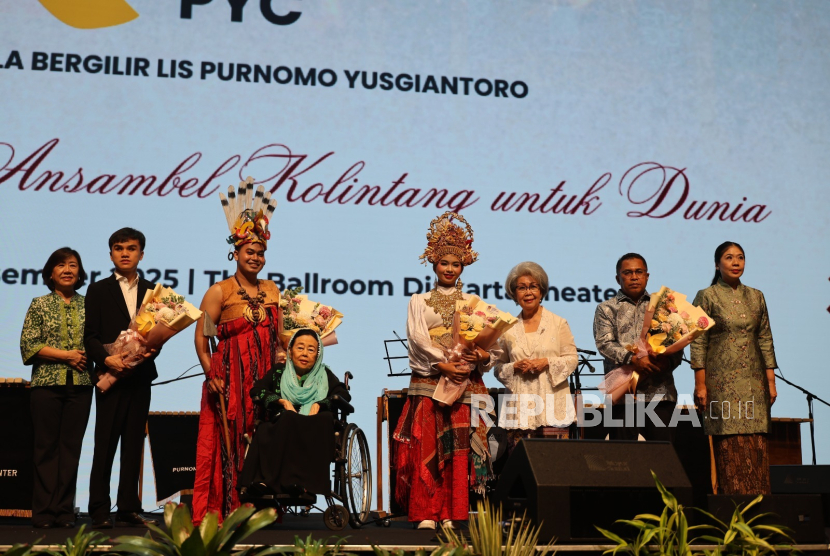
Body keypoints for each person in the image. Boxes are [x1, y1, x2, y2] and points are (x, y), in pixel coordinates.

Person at [393, 211, 492, 530]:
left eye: (456, 263)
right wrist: (443, 362)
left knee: (456, 446)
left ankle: (452, 511)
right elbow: (419, 341)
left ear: (463, 266)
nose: (449, 269)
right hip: (430, 379)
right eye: (444, 262)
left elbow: (493, 347)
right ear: (434, 263)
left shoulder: (474, 302)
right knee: (429, 445)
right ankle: (425, 512)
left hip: (462, 381)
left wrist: (479, 355)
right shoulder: (419, 300)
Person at [193, 185, 283, 524]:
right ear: (236, 253)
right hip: (229, 377)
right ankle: (226, 506)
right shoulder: (218, 292)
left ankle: (260, 505)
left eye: (260, 252)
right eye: (249, 251)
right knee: (227, 441)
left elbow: (282, 336)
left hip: (264, 379)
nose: (255, 257)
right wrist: (210, 375)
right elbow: (202, 340)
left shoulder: (272, 290)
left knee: (260, 437)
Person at [84, 228, 158, 529]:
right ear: (111, 253)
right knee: (105, 444)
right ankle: (99, 509)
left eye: (131, 248)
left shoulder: (155, 292)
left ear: (141, 253)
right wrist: (106, 359)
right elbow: (89, 336)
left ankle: (128, 506)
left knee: (133, 444)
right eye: (118, 248)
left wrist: (148, 352)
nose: (125, 253)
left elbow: (156, 337)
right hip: (110, 375)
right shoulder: (98, 289)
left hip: (140, 378)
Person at [691, 241, 777, 495]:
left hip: (754, 383)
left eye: (740, 257)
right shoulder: (707, 296)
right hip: (721, 384)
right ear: (717, 265)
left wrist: (770, 382)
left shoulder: (756, 295)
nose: (736, 262)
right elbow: (698, 341)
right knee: (730, 445)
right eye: (729, 258)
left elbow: (765, 338)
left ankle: (760, 514)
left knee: (756, 443)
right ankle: (731, 510)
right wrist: (700, 384)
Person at [20, 248, 92, 529]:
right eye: (61, 265)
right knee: (45, 449)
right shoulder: (39, 304)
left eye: (73, 265)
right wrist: (68, 356)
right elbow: (29, 345)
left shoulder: (89, 305)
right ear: (51, 273)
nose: (67, 269)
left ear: (80, 273)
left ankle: (64, 511)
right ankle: (43, 512)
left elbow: (97, 343)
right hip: (46, 385)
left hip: (82, 385)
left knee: (71, 449)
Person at [238, 329, 349, 498]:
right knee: (279, 422)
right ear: (290, 351)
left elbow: (342, 394)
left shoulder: (324, 374)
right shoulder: (278, 372)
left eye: (311, 350)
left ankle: (302, 484)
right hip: (282, 424)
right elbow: (257, 390)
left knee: (324, 418)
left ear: (317, 355)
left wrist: (320, 404)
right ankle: (265, 483)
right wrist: (281, 401)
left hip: (314, 425)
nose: (305, 353)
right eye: (300, 348)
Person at [593, 253, 682, 441]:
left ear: (647, 276)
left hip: (660, 392)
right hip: (623, 395)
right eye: (627, 273)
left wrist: (667, 362)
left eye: (639, 272)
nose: (634, 277)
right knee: (624, 461)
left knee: (662, 458)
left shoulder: (664, 307)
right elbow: (605, 344)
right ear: (618, 278)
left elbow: (678, 342)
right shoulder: (606, 308)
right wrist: (634, 359)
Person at [492, 262, 577, 448]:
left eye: (533, 286)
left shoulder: (558, 323)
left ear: (542, 290)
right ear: (514, 294)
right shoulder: (508, 328)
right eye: (521, 288)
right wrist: (513, 366)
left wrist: (546, 362)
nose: (528, 292)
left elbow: (572, 359)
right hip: (518, 407)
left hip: (552, 405)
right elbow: (497, 368)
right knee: (521, 466)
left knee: (555, 468)